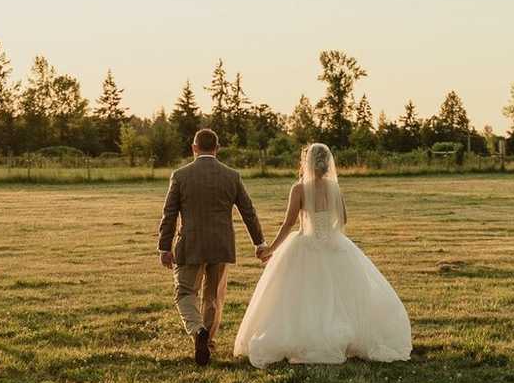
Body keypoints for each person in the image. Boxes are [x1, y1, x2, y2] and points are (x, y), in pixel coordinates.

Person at [234, 143, 412, 368]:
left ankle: (309, 335)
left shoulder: (299, 189)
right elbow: (344, 218)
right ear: (327, 163)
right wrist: (328, 232)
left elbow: (289, 223)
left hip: (307, 244)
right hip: (335, 245)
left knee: (304, 295)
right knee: (339, 295)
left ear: (306, 163)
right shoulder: (334, 188)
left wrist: (271, 249)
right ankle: (342, 334)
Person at [157, 128, 266, 365]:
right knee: (213, 297)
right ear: (217, 149)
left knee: (185, 292)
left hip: (190, 243)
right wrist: (259, 243)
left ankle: (198, 331)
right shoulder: (232, 175)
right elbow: (248, 212)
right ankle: (207, 341)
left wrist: (164, 247)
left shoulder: (180, 175)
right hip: (221, 244)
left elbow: (169, 213)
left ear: (194, 148)